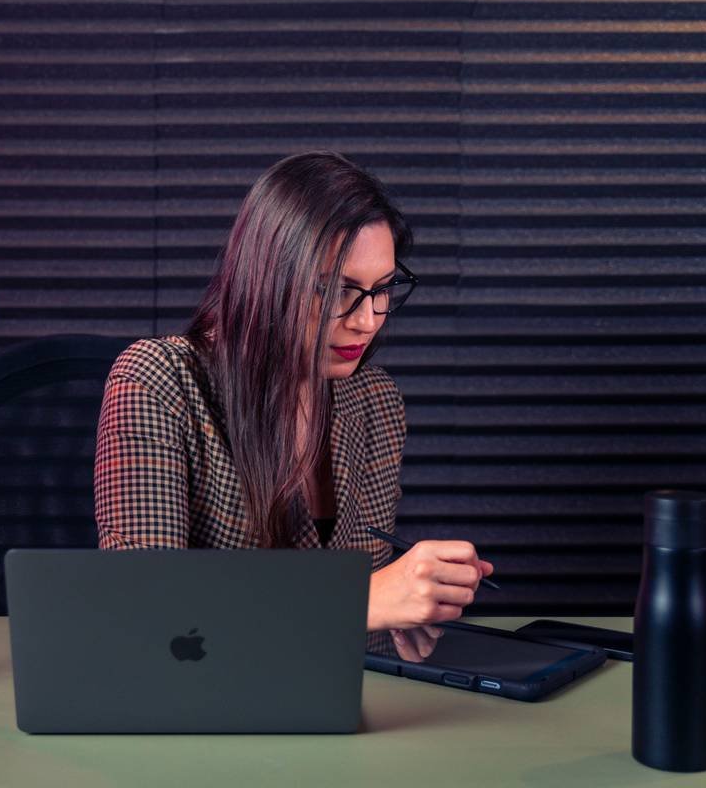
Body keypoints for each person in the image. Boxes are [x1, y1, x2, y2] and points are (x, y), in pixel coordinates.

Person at [93, 151, 494, 661]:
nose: (368, 320)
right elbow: (143, 615)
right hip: (201, 710)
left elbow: (357, 627)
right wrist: (363, 603)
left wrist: (402, 621)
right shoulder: (159, 379)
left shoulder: (374, 400)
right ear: (266, 277)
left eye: (382, 290)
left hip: (329, 702)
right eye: (334, 290)